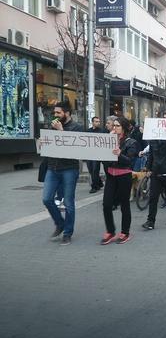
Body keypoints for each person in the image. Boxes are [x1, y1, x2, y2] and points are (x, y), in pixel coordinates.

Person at [42, 101, 83, 245]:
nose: (56, 115)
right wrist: (43, 142)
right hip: (52, 168)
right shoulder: (53, 125)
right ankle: (60, 223)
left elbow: (75, 149)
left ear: (67, 113)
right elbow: (49, 144)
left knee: (69, 203)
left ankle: (67, 233)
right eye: (55, 113)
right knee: (47, 199)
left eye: (58, 113)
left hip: (69, 169)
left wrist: (60, 131)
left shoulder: (77, 127)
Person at [100, 117, 138, 244]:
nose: (114, 128)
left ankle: (125, 232)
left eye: (117, 126)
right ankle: (110, 231)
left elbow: (129, 161)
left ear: (124, 128)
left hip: (124, 176)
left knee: (124, 205)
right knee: (106, 204)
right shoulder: (109, 139)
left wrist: (119, 154)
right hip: (111, 175)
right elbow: (104, 158)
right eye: (113, 125)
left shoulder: (131, 142)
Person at [142, 130, 166, 230]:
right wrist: (148, 168)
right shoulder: (153, 141)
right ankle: (150, 221)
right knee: (153, 197)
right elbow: (151, 155)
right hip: (156, 173)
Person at [86, 116, 104, 193]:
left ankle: (94, 186)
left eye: (99, 121)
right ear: (92, 122)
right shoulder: (88, 131)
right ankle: (99, 183)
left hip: (97, 154)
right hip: (89, 153)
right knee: (90, 170)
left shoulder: (101, 131)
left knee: (95, 170)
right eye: (96, 121)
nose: (98, 123)